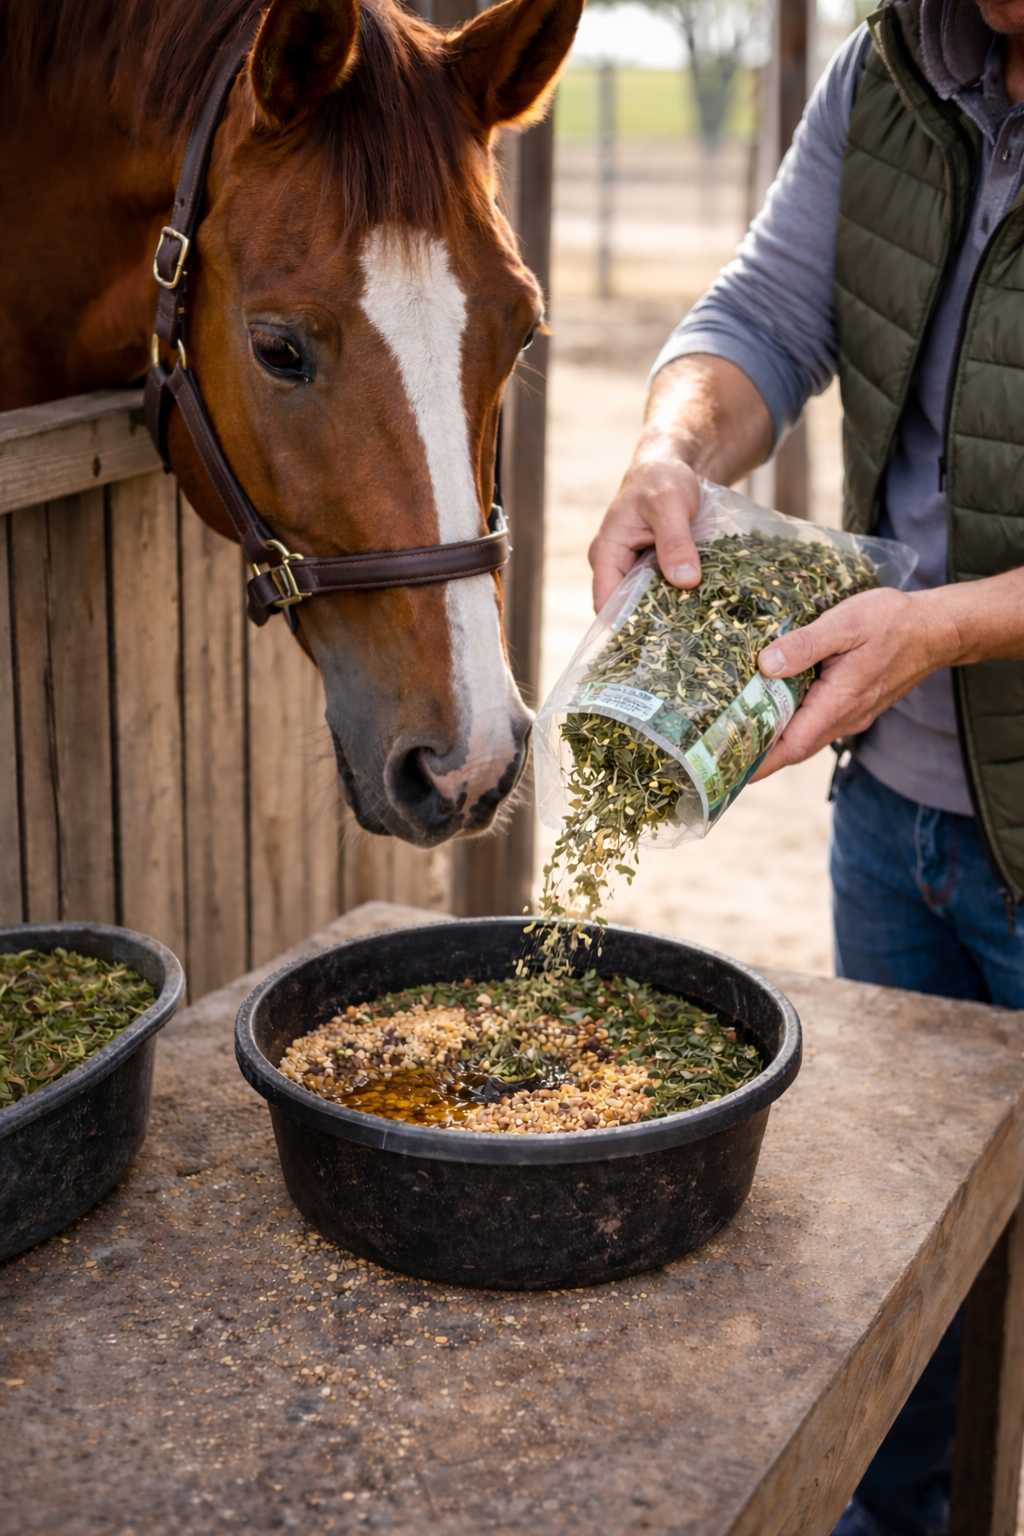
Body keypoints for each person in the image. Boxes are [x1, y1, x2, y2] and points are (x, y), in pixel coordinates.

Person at [588, 0, 1024, 1531]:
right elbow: (764, 319)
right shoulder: (895, 69)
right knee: (898, 1288)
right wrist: (672, 450)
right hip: (891, 820)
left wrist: (940, 628)